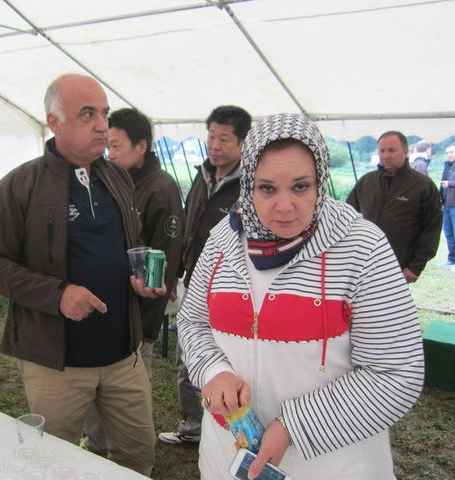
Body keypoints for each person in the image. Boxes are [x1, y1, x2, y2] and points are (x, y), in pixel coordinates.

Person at [178, 113, 425, 480]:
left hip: (335, 467)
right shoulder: (222, 241)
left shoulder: (362, 248)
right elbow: (193, 321)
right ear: (248, 185)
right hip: (226, 458)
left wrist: (295, 426)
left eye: (300, 187)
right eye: (267, 188)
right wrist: (214, 371)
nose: (284, 206)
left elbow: (396, 372)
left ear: (320, 182)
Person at [0, 74, 161, 476]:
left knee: (137, 455)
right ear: (54, 123)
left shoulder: (118, 177)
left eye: (105, 114)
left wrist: (140, 272)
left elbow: (131, 242)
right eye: (87, 114)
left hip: (123, 356)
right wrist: (57, 293)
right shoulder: (19, 185)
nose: (102, 125)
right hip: (56, 364)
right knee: (54, 463)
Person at [81, 108, 184, 455]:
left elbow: (164, 262)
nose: (109, 154)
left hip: (136, 315)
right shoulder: (106, 180)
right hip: (104, 308)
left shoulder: (161, 188)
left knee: (131, 391)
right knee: (96, 384)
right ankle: (96, 445)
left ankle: (127, 451)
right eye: (107, 146)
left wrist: (145, 327)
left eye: (117, 146)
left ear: (141, 146)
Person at [159, 105, 252, 446]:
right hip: (195, 282)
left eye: (223, 139)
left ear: (242, 143)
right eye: (211, 137)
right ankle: (193, 425)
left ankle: (232, 428)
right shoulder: (203, 175)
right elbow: (188, 227)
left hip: (232, 291)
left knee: (230, 358)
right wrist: (176, 273)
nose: (214, 145)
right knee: (189, 354)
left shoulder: (250, 184)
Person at [346, 131, 442, 283]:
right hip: (361, 263)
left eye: (391, 150)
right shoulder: (366, 182)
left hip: (398, 267)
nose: (385, 156)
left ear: (405, 152)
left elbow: (432, 229)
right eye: (382, 151)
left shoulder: (423, 186)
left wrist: (416, 266)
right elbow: (347, 217)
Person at [440, 144, 455, 266]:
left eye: (451, 152)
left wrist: (450, 183)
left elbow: (447, 183)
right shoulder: (447, 166)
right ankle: (451, 258)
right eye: (447, 152)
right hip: (446, 204)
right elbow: (442, 183)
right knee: (448, 233)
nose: (449, 154)